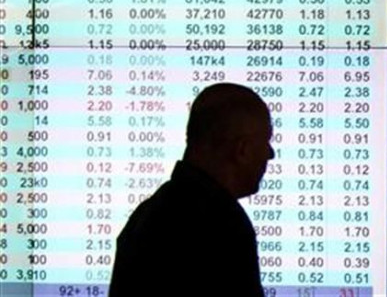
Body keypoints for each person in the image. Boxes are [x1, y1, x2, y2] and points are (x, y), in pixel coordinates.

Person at [108, 83, 274, 296]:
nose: (270, 154)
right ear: (242, 150)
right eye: (265, 141)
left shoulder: (145, 215)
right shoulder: (223, 225)